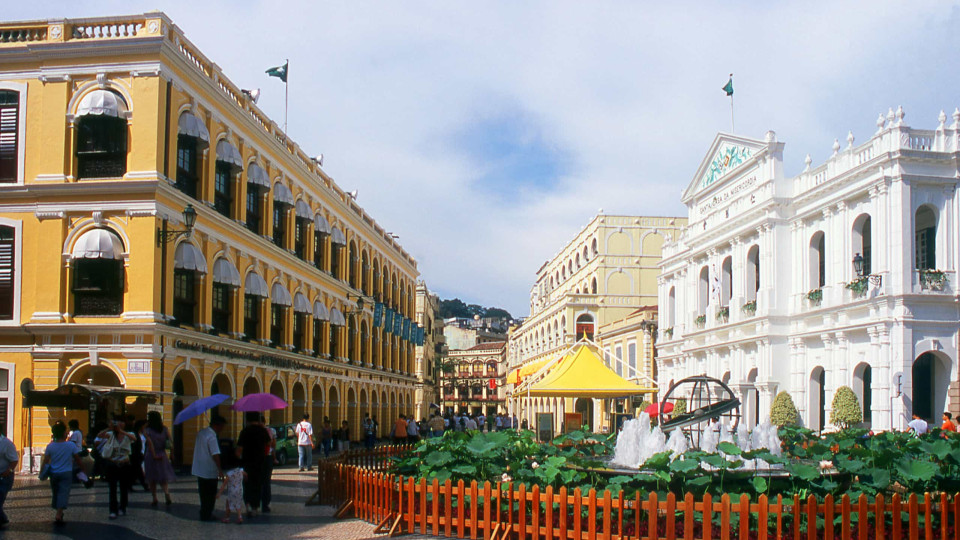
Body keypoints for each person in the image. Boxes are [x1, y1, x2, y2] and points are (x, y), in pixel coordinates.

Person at [43, 421, 82, 525]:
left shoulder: (50, 446)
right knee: (63, 492)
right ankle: (59, 513)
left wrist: (42, 472)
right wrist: (83, 469)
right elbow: (78, 459)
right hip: (66, 472)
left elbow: (46, 460)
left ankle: (58, 509)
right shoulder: (70, 446)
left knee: (56, 492)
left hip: (54, 473)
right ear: (64, 433)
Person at [98, 416, 135, 519]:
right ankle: (113, 510)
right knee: (112, 488)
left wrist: (122, 432)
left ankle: (122, 507)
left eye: (121, 422)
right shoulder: (111, 434)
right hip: (113, 464)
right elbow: (100, 435)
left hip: (124, 464)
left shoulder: (128, 435)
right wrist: (109, 428)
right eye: (117, 422)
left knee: (123, 488)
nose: (119, 424)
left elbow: (134, 439)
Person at [193, 415, 226, 522]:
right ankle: (207, 514)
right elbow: (215, 454)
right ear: (218, 425)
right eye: (222, 426)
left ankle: (204, 512)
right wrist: (220, 469)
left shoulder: (202, 433)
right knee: (210, 494)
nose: (223, 429)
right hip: (209, 469)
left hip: (199, 468)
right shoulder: (212, 436)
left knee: (203, 493)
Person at [236, 413, 269, 517]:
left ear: (247, 420)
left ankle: (248, 505)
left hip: (247, 463)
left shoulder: (244, 431)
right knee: (257, 485)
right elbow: (269, 443)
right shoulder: (262, 431)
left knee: (247, 484)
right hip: (260, 462)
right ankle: (255, 507)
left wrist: (237, 461)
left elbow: (239, 449)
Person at [143, 411, 176, 506]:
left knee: (151, 478)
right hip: (162, 454)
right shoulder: (164, 429)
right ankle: (166, 493)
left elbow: (150, 443)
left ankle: (154, 498)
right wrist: (172, 454)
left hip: (151, 455)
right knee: (163, 477)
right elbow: (170, 442)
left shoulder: (148, 430)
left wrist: (154, 455)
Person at [216, 452, 246, 524]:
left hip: (232, 491)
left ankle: (227, 518)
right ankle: (240, 517)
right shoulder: (241, 470)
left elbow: (224, 484)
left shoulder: (229, 473)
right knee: (238, 504)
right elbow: (245, 474)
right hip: (240, 490)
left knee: (228, 504)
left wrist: (219, 493)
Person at [0, 423, 19, 528]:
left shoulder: (7, 444)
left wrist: (9, 470)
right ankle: (3, 518)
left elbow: (14, 460)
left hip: (4, 476)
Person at [261, 415, 276, 513]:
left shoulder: (251, 431)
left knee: (257, 481)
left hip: (257, 458)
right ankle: (265, 504)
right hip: (267, 457)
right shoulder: (270, 431)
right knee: (266, 481)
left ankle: (253, 505)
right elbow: (273, 445)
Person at [130, 419, 149, 491]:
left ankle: (130, 484)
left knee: (135, 471)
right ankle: (145, 485)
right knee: (139, 470)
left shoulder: (143, 434)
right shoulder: (134, 434)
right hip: (137, 454)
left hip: (142, 453)